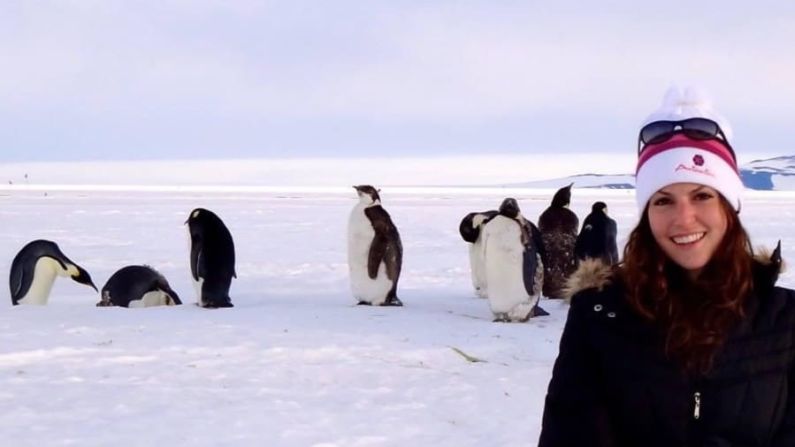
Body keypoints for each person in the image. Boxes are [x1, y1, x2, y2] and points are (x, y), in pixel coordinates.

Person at [538, 86, 795, 446]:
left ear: (729, 207)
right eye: (663, 201)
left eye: (702, 195)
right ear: (646, 214)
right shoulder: (599, 315)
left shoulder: (783, 317)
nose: (683, 219)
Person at [574, 201, 619, 266]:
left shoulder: (589, 220)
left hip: (587, 261)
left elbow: (581, 240)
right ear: (604, 209)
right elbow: (612, 245)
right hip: (606, 260)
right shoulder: (611, 223)